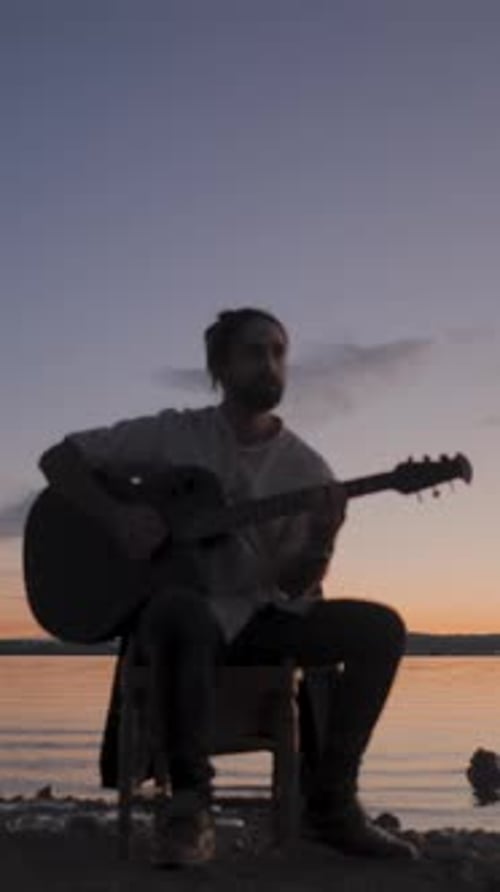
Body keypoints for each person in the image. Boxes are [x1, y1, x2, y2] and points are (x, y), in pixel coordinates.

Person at [38, 307, 418, 865]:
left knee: (380, 629)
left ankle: (331, 805)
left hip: (260, 620)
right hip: (181, 620)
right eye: (255, 351)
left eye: (279, 353)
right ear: (220, 366)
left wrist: (321, 540)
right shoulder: (176, 433)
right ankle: (190, 808)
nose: (270, 364)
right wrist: (118, 517)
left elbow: (295, 584)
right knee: (176, 608)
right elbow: (59, 458)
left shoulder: (307, 470)